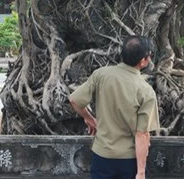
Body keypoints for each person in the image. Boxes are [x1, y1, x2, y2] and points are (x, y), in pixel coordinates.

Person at [69, 35, 160, 179]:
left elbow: (74, 100)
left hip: (102, 156)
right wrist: (141, 172)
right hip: (129, 160)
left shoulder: (101, 74)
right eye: (149, 56)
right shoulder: (146, 91)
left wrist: (90, 119)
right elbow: (142, 134)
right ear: (143, 61)